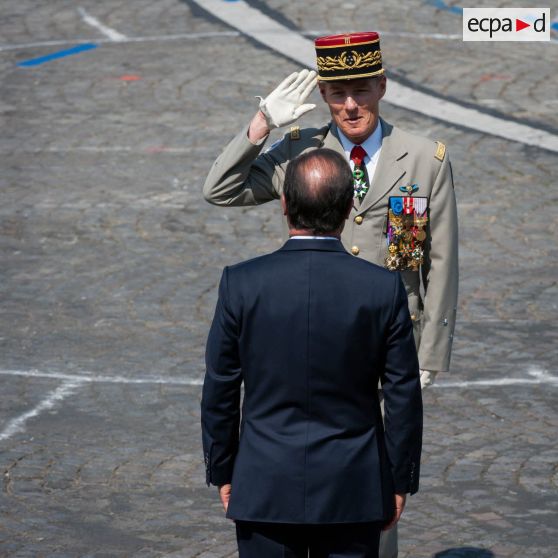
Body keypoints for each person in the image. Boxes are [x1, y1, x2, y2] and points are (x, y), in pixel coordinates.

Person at [203, 32, 458, 557]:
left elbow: (438, 260)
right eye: (337, 93)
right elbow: (221, 190)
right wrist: (261, 125)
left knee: (380, 503)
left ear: (382, 86)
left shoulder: (424, 159)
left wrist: (429, 353)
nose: (349, 105)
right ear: (322, 96)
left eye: (360, 91)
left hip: (388, 347)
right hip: (313, 343)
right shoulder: (303, 150)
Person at [201, 149, 423, 558]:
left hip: (264, 480)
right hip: (352, 485)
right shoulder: (381, 288)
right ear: (349, 206)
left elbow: (220, 389)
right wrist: (398, 479)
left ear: (284, 205)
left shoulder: (242, 284)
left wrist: (223, 470)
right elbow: (403, 394)